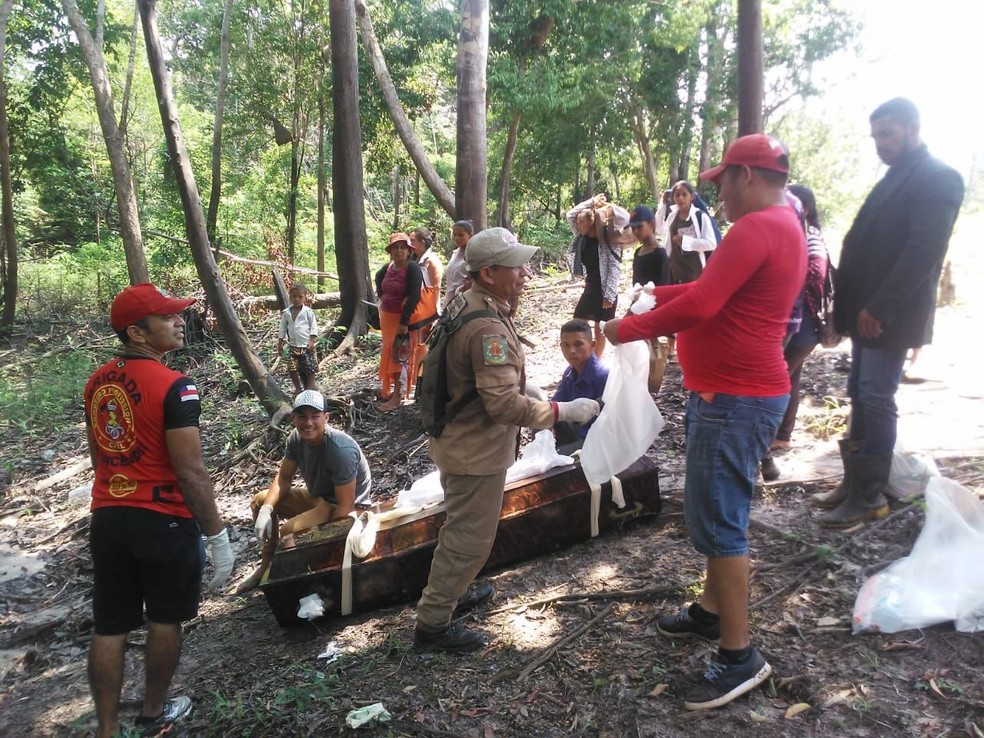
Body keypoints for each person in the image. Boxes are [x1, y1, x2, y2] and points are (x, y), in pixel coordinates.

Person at [603, 134, 806, 711]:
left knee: (721, 521)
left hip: (737, 396)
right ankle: (711, 613)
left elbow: (702, 307)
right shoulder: (783, 223)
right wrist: (655, 292)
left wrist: (627, 329)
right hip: (738, 392)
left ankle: (740, 655)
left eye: (721, 182)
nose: (718, 193)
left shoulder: (758, 227)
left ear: (747, 175)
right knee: (716, 509)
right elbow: (704, 290)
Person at [414, 227, 601, 653]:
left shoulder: (472, 302)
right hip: (474, 451)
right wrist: (562, 411)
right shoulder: (487, 327)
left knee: (464, 530)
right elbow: (501, 406)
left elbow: (480, 380)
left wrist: (525, 386)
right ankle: (433, 625)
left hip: (462, 443)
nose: (524, 272)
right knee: (468, 540)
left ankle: (454, 593)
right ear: (489, 272)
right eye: (515, 265)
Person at [84, 283, 235, 737]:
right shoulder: (176, 386)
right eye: (166, 317)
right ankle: (152, 713)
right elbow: (191, 472)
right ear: (137, 332)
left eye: (177, 314)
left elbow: (99, 458)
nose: (177, 321)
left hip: (109, 516)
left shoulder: (97, 383)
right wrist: (218, 537)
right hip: (163, 519)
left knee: (110, 624)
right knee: (164, 617)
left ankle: (107, 729)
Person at [821, 97, 964, 528]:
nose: (879, 144)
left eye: (887, 134)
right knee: (861, 392)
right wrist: (845, 309)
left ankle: (869, 496)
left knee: (878, 396)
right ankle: (855, 483)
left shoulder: (939, 178)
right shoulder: (895, 176)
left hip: (890, 315)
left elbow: (923, 252)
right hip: (866, 313)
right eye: (876, 136)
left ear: (913, 128)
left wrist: (880, 307)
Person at [236, 390, 373, 592]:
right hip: (319, 498)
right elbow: (284, 478)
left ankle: (294, 577)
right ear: (293, 418)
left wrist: (330, 546)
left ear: (326, 418)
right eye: (302, 416)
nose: (308, 423)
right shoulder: (296, 438)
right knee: (261, 501)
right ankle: (266, 566)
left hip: (345, 506)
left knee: (289, 531)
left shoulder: (340, 449)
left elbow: (345, 505)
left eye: (314, 416)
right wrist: (266, 511)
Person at [759, 184, 830, 481]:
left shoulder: (810, 237)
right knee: (789, 377)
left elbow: (817, 273)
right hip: (796, 324)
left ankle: (764, 447)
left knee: (772, 381)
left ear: (804, 211)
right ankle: (781, 435)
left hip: (804, 327)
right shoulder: (794, 236)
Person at [566, 194, 634, 357]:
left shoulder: (608, 239)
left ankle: (596, 361)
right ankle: (584, 358)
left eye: (581, 221)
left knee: (600, 329)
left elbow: (614, 268)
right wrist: (592, 202)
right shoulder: (582, 237)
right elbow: (570, 214)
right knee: (578, 323)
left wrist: (609, 295)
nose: (577, 223)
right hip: (591, 288)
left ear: (591, 223)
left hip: (605, 292)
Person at [375, 232, 423, 411]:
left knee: (399, 354)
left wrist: (404, 321)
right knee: (390, 351)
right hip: (387, 317)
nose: (399, 251)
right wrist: (383, 297)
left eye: (403, 247)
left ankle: (398, 395)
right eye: (395, 248)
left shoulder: (413, 269)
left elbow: (414, 296)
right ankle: (393, 390)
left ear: (409, 251)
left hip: (402, 319)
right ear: (390, 251)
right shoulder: (387, 268)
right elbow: (379, 282)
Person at [629, 204, 672, 393]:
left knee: (652, 357)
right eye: (633, 227)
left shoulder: (660, 253)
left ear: (652, 224)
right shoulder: (638, 253)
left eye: (640, 226)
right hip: (637, 308)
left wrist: (654, 313)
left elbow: (662, 287)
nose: (636, 231)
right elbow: (635, 284)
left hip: (652, 309)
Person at [551, 319, 609, 454]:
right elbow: (555, 405)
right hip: (575, 433)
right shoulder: (570, 372)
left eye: (578, 344)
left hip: (597, 441)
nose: (571, 351)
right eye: (566, 345)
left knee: (553, 459)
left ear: (592, 345)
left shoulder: (603, 376)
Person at [663, 180, 719, 285]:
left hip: (694, 273)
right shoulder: (672, 217)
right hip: (674, 273)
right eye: (677, 195)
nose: (680, 198)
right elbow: (659, 230)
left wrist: (686, 242)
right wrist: (662, 205)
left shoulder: (700, 217)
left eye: (684, 194)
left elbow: (711, 244)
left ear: (691, 197)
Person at [410, 226, 444, 369]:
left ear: (422, 242)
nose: (409, 244)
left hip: (426, 310)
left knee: (423, 344)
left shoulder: (431, 261)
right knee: (413, 344)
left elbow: (436, 288)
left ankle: (420, 375)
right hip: (415, 308)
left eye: (412, 241)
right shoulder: (415, 260)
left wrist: (434, 313)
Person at [278, 282, 319, 393]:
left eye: (300, 297)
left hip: (306, 345)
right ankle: (297, 388)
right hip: (293, 346)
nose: (297, 299)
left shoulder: (308, 312)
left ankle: (311, 386)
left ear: (305, 297)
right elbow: (282, 328)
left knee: (310, 366)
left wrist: (311, 341)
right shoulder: (286, 313)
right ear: (290, 297)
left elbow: (313, 328)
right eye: (294, 296)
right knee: (292, 367)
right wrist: (280, 343)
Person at [443, 220, 474, 310]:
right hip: (449, 300)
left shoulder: (472, 255)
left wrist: (461, 290)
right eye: (455, 234)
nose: (457, 238)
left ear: (470, 235)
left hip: (463, 302)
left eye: (461, 235)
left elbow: (473, 281)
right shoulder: (455, 253)